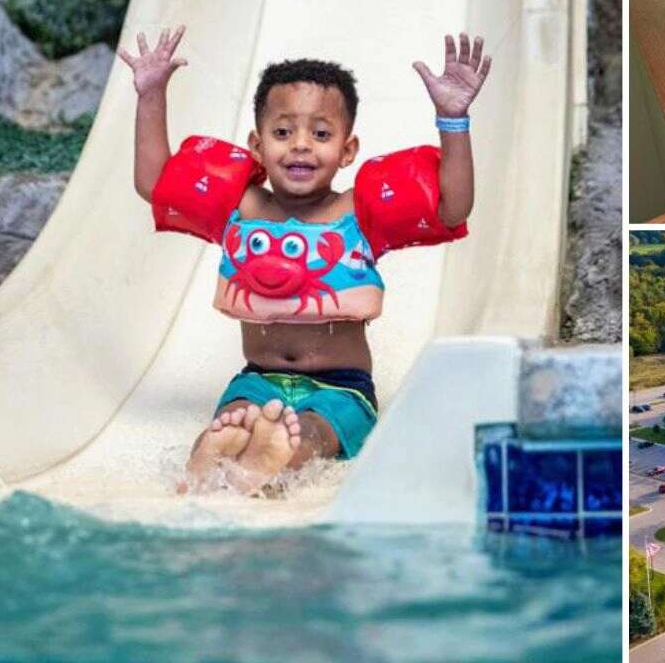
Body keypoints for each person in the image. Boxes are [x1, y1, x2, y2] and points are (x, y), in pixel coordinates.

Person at [121, 26, 490, 494]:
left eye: (320, 133)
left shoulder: (362, 215)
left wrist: (453, 120)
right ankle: (212, 459)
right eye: (282, 131)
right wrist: (150, 95)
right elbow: (156, 184)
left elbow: (452, 208)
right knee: (229, 419)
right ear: (258, 146)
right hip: (257, 379)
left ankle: (275, 457)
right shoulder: (238, 209)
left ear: (347, 150)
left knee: (314, 431)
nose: (300, 144)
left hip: (342, 388)